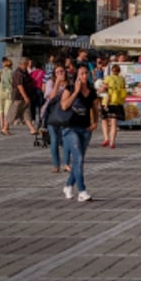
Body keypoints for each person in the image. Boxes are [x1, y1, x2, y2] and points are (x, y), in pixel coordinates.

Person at [59, 63, 100, 201]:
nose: (84, 76)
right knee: (79, 159)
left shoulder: (91, 90)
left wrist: (95, 122)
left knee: (78, 160)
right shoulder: (69, 88)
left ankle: (69, 185)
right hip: (70, 128)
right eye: (81, 73)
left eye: (86, 73)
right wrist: (76, 91)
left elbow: (95, 108)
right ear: (77, 75)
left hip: (85, 129)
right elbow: (64, 106)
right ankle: (82, 191)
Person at [42, 64, 70, 172]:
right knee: (54, 140)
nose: (60, 73)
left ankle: (66, 163)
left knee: (65, 139)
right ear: (54, 74)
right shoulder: (50, 83)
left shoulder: (69, 83)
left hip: (66, 113)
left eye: (62, 71)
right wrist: (57, 83)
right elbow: (51, 96)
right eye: (57, 72)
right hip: (52, 113)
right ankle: (56, 165)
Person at [8, 58, 38, 135]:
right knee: (13, 112)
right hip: (19, 97)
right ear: (22, 64)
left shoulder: (25, 72)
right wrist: (25, 97)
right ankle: (5, 127)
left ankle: (32, 129)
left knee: (26, 113)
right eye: (26, 64)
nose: (28, 65)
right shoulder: (18, 73)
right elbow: (19, 86)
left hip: (26, 97)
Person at [101, 63, 127, 148]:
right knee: (114, 124)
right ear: (119, 71)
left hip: (107, 102)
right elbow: (123, 88)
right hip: (117, 103)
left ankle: (106, 138)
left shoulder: (108, 78)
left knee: (104, 120)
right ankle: (112, 143)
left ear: (112, 70)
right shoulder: (122, 79)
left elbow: (103, 88)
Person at [0, 58, 15, 134]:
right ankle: (6, 126)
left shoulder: (0, 71)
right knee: (8, 110)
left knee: (0, 109)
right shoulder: (12, 72)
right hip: (9, 92)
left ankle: (2, 125)